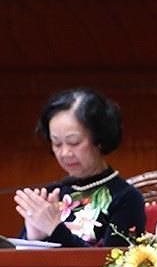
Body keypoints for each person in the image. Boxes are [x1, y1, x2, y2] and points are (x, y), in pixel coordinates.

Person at [14, 88, 146, 247]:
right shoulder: (51, 195)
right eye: (57, 143)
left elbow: (112, 265)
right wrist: (34, 236)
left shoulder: (126, 198)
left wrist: (55, 230)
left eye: (74, 142)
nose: (64, 153)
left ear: (99, 139)